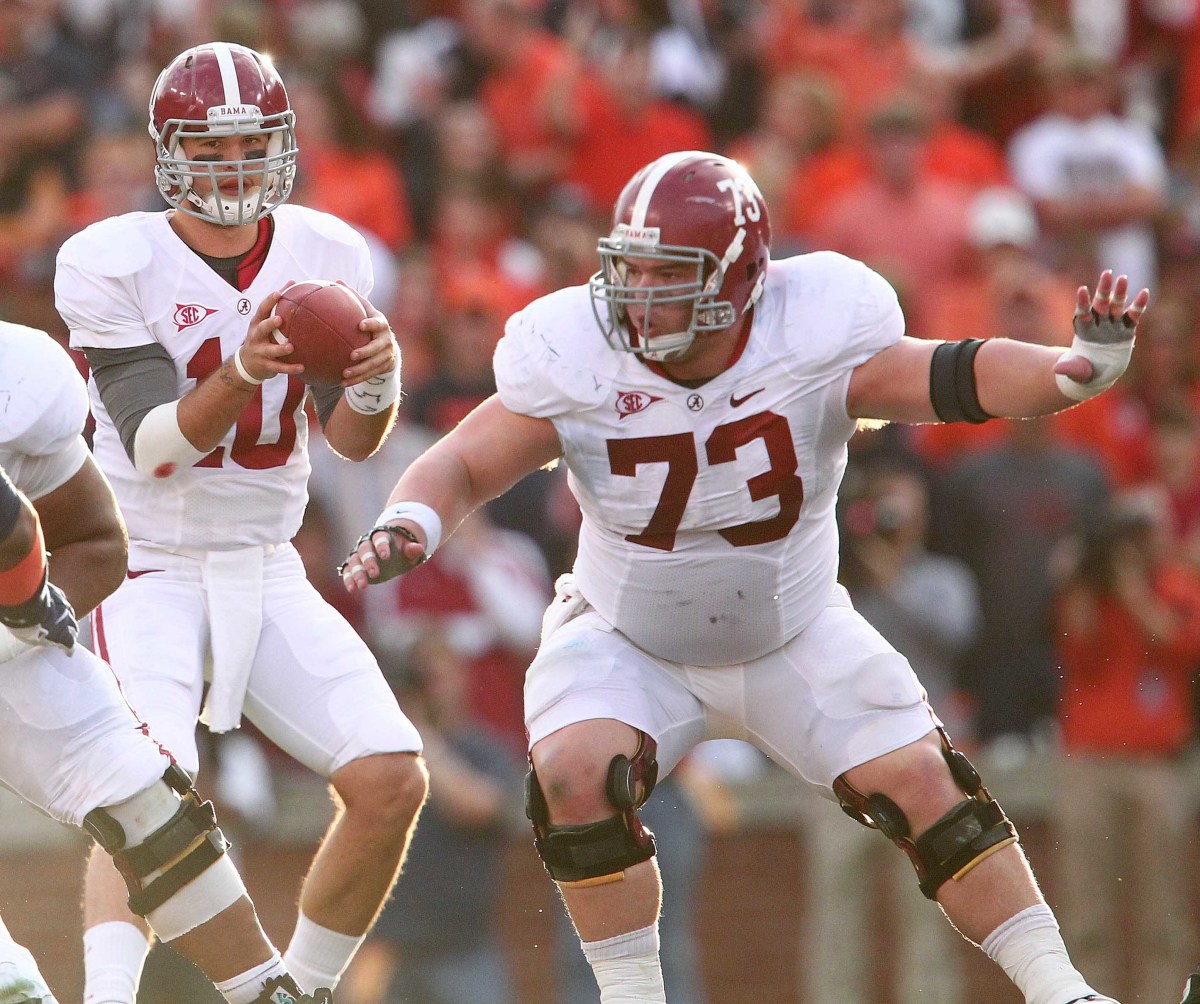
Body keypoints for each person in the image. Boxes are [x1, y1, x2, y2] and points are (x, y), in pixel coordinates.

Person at [340, 149, 1146, 1004]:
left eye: (668, 276)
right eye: (631, 270)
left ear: (740, 277)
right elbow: (464, 460)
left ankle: (1064, 992)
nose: (638, 298)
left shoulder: (814, 327)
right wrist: (410, 520)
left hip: (791, 629)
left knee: (926, 782)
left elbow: (953, 373)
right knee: (573, 772)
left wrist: (1072, 371)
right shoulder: (575, 349)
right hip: (628, 636)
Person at [52, 42, 428, 1003]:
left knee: (390, 780)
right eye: (208, 150)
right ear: (167, 153)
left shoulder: (331, 252)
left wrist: (378, 381)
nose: (231, 169)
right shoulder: (113, 259)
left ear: (283, 147)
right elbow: (154, 448)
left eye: (250, 147)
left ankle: (298, 990)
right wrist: (249, 371)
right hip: (148, 564)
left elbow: (348, 441)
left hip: (265, 564)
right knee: (149, 794)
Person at [0, 321, 333, 1004]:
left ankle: (263, 990)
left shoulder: (18, 381)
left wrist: (26, 608)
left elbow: (95, 542)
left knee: (146, 802)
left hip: (7, 632)